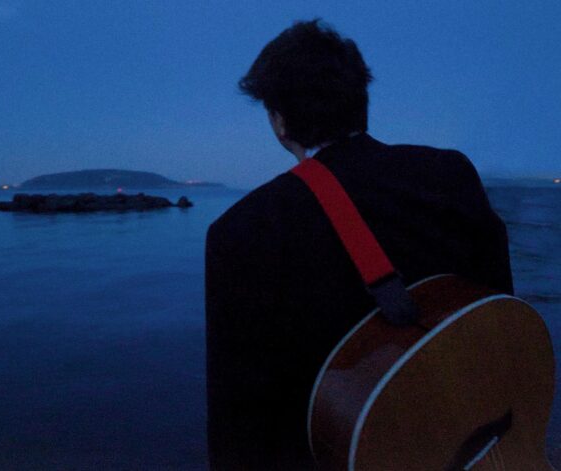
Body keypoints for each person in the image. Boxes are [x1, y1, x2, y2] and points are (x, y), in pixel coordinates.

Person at [204, 19, 513, 470]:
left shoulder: (242, 230)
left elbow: (239, 427)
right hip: (475, 442)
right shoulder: (451, 175)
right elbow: (500, 318)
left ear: (279, 122)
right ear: (360, 103)